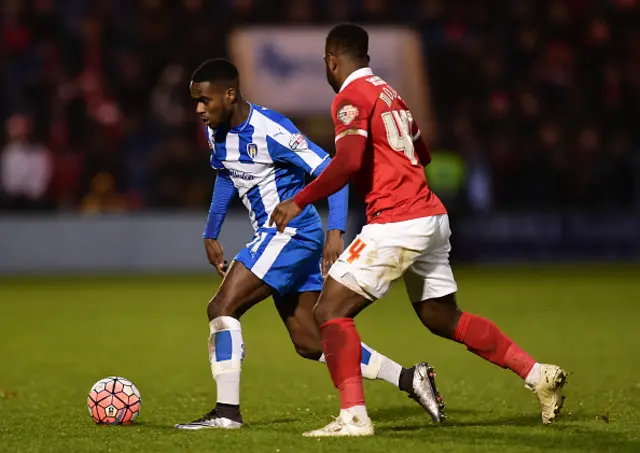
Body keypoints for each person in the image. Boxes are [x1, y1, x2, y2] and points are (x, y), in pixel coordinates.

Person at [270, 24, 567, 437]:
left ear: (331, 61)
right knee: (441, 316)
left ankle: (354, 417)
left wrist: (299, 199)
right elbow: (422, 151)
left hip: (398, 219)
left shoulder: (350, 98)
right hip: (430, 216)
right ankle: (537, 374)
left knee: (329, 310)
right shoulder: (392, 94)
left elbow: (350, 161)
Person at [175, 58, 444, 430]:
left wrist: (336, 230)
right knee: (310, 341)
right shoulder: (215, 132)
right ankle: (410, 378)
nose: (199, 109)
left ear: (230, 94)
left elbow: (332, 171)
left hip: (292, 234)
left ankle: (226, 412)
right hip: (277, 237)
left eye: (204, 100)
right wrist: (211, 232)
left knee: (222, 307)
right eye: (196, 101)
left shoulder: (272, 129)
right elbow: (226, 173)